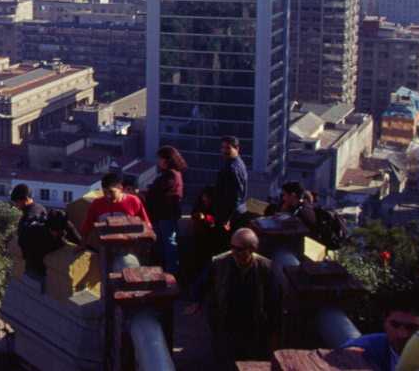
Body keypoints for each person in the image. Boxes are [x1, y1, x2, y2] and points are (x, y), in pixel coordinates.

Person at [189, 228, 278, 369]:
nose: (234, 252)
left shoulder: (266, 268)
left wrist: (273, 331)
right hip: (226, 323)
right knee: (224, 361)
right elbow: (201, 283)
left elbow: (274, 301)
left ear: (252, 249)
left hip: (253, 326)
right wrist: (196, 301)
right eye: (232, 247)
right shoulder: (218, 263)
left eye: (239, 249)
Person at [342, 300, 419, 371]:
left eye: (411, 327)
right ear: (384, 323)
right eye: (395, 325)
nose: (402, 334)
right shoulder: (362, 349)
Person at [144, 145, 186, 275]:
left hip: (165, 215)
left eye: (160, 159)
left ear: (167, 160)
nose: (159, 162)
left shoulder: (171, 175)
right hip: (164, 215)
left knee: (168, 244)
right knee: (165, 244)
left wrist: (146, 193)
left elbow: (161, 193)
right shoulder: (172, 174)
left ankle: (171, 273)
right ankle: (168, 271)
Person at [79, 171, 152, 242]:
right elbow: (87, 227)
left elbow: (146, 224)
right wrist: (82, 244)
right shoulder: (96, 204)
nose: (108, 196)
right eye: (105, 192)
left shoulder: (133, 201)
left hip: (129, 248)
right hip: (105, 248)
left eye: (111, 192)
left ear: (120, 188)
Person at [18, 209, 83, 278]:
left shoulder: (65, 224)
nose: (56, 234)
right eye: (54, 231)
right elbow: (21, 240)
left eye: (59, 231)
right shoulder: (36, 230)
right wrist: (27, 257)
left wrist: (82, 246)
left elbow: (78, 240)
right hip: (34, 258)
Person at [212, 136, 248, 247]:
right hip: (236, 212)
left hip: (229, 215)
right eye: (222, 148)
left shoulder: (232, 168)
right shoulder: (238, 163)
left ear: (237, 148)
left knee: (225, 246)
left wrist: (227, 219)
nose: (224, 151)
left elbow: (235, 195)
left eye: (228, 148)